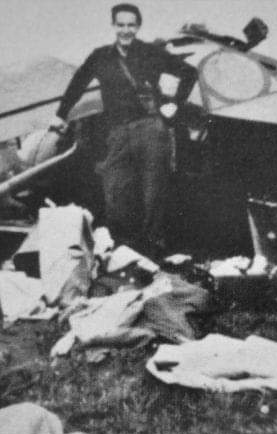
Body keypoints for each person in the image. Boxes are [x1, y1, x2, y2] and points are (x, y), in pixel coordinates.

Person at [51, 3, 197, 259]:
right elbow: (78, 83)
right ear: (113, 26)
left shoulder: (150, 52)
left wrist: (175, 103)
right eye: (121, 25)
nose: (126, 30)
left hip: (151, 128)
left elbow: (189, 72)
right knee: (116, 192)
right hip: (117, 131)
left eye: (131, 25)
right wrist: (61, 114)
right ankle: (125, 250)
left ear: (138, 27)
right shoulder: (100, 56)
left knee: (153, 193)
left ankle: (153, 252)